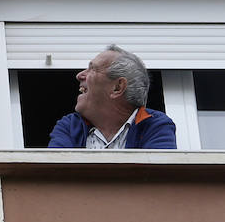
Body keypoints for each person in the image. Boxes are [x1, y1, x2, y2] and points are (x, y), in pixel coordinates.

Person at [48, 45, 177, 149]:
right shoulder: (69, 126)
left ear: (117, 87)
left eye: (92, 69)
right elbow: (54, 175)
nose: (79, 75)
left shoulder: (154, 125)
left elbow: (157, 178)